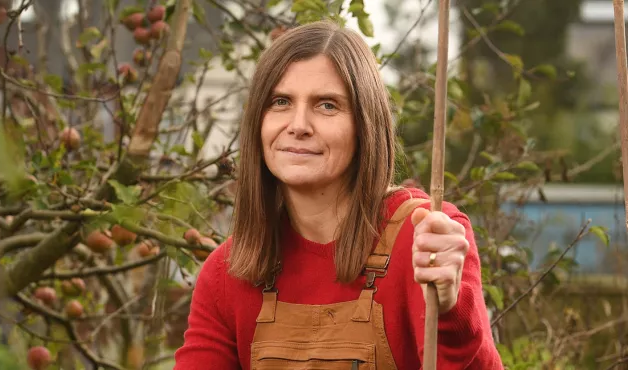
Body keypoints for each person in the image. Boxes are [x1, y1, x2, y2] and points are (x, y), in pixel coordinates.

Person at [173, 20, 504, 369]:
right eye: (281, 101)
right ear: (258, 121)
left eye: (327, 105)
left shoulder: (426, 237)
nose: (298, 125)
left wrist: (452, 307)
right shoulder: (228, 273)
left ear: (364, 127)